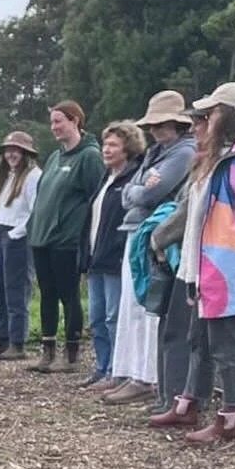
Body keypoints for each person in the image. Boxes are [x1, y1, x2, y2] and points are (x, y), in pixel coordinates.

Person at [149, 82, 235, 444]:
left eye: (210, 113)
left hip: (231, 266)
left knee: (228, 345)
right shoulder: (221, 156)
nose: (204, 120)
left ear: (229, 114)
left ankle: (231, 419)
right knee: (200, 337)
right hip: (208, 265)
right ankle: (189, 404)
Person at [104, 91, 196, 406]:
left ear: (177, 123)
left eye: (163, 122)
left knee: (148, 307)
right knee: (132, 304)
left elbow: (146, 194)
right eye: (153, 123)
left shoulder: (184, 152)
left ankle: (148, 375)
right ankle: (132, 371)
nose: (156, 129)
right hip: (138, 230)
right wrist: (138, 189)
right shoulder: (156, 152)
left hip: (156, 234)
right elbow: (135, 189)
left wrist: (137, 190)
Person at [25, 101, 104, 372]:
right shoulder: (55, 157)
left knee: (69, 295)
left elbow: (96, 198)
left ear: (75, 121)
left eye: (59, 121)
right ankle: (47, 351)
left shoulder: (90, 157)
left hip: (67, 240)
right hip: (42, 237)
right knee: (47, 294)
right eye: (52, 122)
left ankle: (71, 354)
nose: (54, 127)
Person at [79, 121, 144, 389]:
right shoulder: (106, 179)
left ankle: (118, 370)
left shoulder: (132, 178)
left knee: (114, 317)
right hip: (96, 258)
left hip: (115, 260)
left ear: (127, 148)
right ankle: (102, 367)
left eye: (113, 145)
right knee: (96, 318)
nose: (106, 150)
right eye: (105, 144)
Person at [0, 131, 41, 359]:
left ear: (25, 152)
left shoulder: (33, 176)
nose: (11, 154)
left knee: (15, 290)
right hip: (1, 232)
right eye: (8, 150)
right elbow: (2, 207)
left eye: (16, 150)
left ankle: (17, 342)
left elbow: (35, 210)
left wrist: (17, 233)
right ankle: (1, 337)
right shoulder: (6, 175)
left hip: (18, 236)